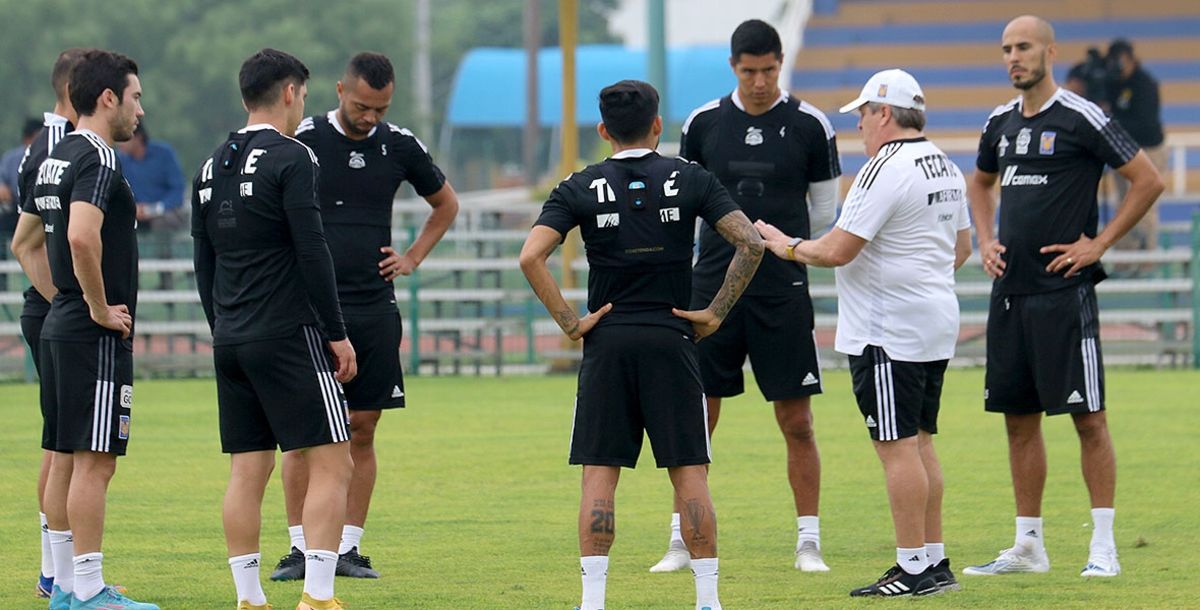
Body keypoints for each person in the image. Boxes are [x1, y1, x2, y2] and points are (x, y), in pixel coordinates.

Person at [519, 79, 763, 610]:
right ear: (658, 125)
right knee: (690, 472)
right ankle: (707, 600)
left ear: (603, 130)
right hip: (672, 337)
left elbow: (530, 256)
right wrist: (716, 312)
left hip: (607, 340)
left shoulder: (580, 185)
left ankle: (593, 601)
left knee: (600, 473)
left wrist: (570, 322)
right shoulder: (691, 177)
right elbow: (751, 241)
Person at [757, 69, 972, 597]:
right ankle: (934, 560)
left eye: (862, 113)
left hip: (888, 328)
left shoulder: (884, 168)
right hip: (935, 319)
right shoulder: (945, 164)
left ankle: (913, 566)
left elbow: (835, 250)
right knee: (920, 443)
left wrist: (783, 244)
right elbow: (960, 249)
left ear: (884, 112)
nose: (858, 124)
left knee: (895, 446)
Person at [963, 16, 1164, 579]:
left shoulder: (1083, 116)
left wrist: (1097, 244)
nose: (1014, 57)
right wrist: (985, 239)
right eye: (1006, 49)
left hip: (1063, 292)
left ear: (1050, 51)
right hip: (1010, 292)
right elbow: (979, 183)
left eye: (1023, 46)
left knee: (1088, 419)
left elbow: (1147, 179)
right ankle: (1029, 546)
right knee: (1019, 421)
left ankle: (1104, 545)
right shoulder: (998, 122)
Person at [653, 18, 842, 574]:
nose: (759, 81)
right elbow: (685, 208)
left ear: (780, 63)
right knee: (697, 417)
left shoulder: (811, 124)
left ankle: (808, 541)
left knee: (797, 421)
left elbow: (827, 217)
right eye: (749, 70)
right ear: (733, 67)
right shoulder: (704, 123)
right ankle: (681, 541)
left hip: (782, 290)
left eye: (768, 70)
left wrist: (799, 254)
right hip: (711, 286)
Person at [270, 51, 459, 582]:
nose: (370, 117)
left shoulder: (399, 145)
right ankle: (300, 549)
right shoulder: (303, 138)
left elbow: (446, 204)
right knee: (305, 435)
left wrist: (413, 257)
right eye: (361, 106)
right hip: (310, 308)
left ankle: (348, 546)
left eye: (380, 108)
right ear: (339, 91)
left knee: (363, 427)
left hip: (374, 307)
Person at [192, 48, 358, 610]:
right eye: (303, 96)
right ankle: (317, 595)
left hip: (231, 336)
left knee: (247, 469)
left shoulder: (210, 165)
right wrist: (336, 332)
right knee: (335, 462)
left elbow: (203, 261)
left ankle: (249, 599)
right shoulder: (296, 157)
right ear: (290, 93)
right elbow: (312, 250)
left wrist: (222, 326)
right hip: (288, 333)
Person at [25, 48, 157, 610]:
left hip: (61, 326)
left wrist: (67, 304)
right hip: (91, 332)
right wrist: (98, 308)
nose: (140, 111)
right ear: (108, 98)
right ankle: (88, 589)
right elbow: (81, 237)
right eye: (135, 97)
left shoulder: (55, 155)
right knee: (95, 461)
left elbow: (24, 242)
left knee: (64, 454)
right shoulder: (99, 158)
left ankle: (61, 586)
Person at [8, 48, 84, 603]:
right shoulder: (59, 149)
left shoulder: (49, 146)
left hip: (53, 309)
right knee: (64, 447)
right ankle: (60, 573)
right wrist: (68, 302)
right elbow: (28, 243)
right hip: (56, 308)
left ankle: (54, 571)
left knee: (59, 443)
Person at [1106, 38, 1167, 253]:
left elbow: (1145, 123)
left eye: (1120, 61)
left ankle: (1147, 261)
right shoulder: (1112, 84)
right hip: (1123, 151)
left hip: (1148, 149)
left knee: (1145, 205)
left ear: (1132, 60)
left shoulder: (1144, 83)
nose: (1118, 67)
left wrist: (1114, 121)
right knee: (1123, 204)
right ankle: (1126, 261)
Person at [117, 122, 186, 232]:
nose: (119, 144)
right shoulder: (121, 160)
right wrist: (134, 208)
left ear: (138, 137)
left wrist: (153, 209)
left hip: (164, 211)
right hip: (136, 212)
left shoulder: (164, 153)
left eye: (124, 139)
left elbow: (177, 189)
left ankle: (163, 249)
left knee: (163, 222)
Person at [1, 118, 43, 237]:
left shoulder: (47, 155)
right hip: (14, 208)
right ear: (27, 139)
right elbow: (2, 179)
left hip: (39, 207)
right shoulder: (11, 158)